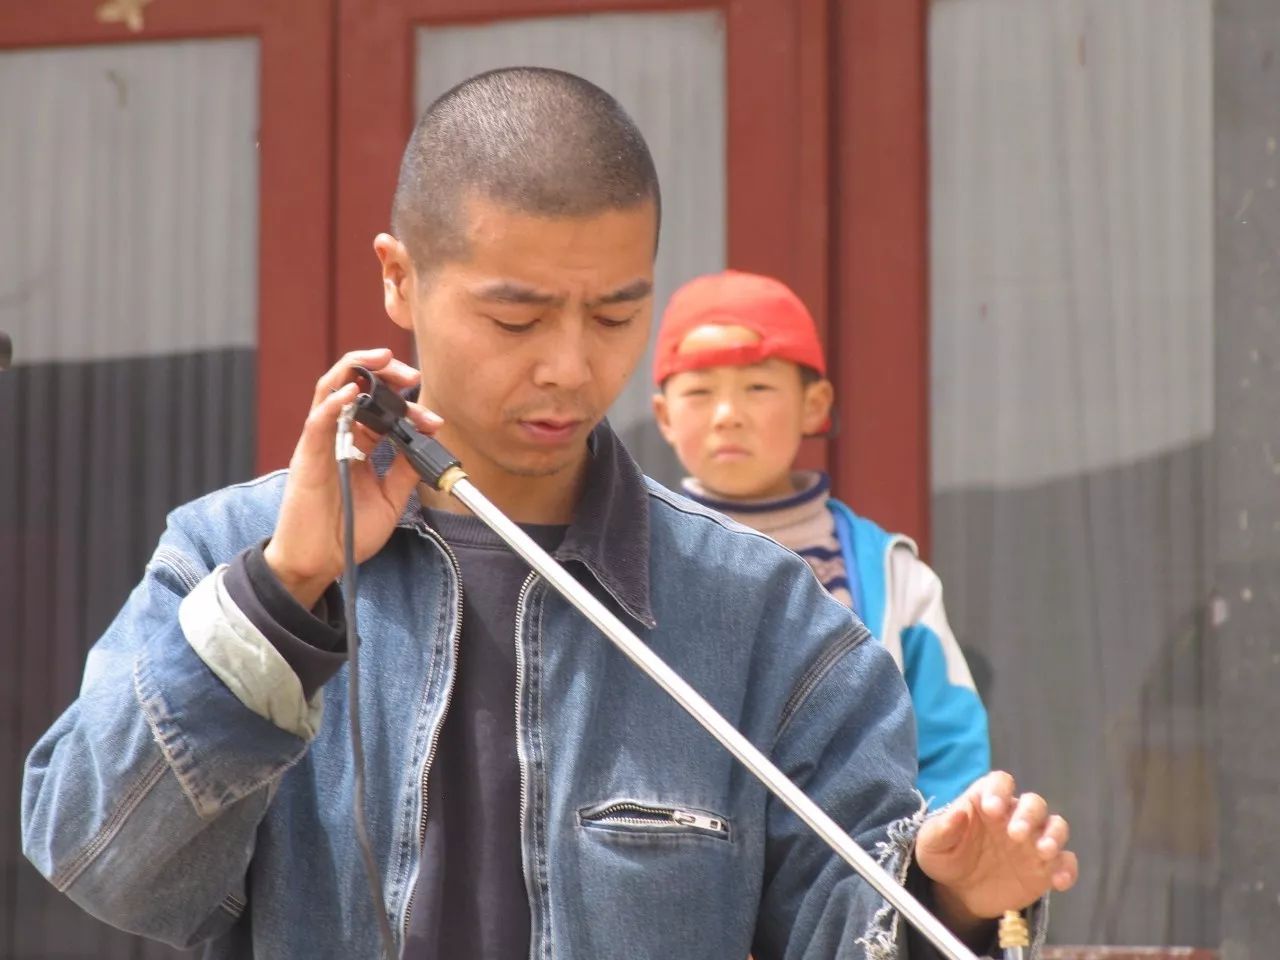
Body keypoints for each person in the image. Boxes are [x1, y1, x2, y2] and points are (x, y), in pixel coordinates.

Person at [21, 68, 1075, 959]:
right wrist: (281, 591)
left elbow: (844, 920)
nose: (570, 367)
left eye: (617, 313)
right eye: (515, 315)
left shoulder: (762, 616)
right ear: (399, 277)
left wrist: (951, 903)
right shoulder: (228, 556)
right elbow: (96, 858)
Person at [651, 270, 990, 807]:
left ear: (815, 404)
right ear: (664, 416)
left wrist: (936, 861)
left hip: (858, 867)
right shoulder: (629, 554)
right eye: (699, 392)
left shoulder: (893, 576)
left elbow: (949, 750)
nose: (727, 416)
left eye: (758, 388)